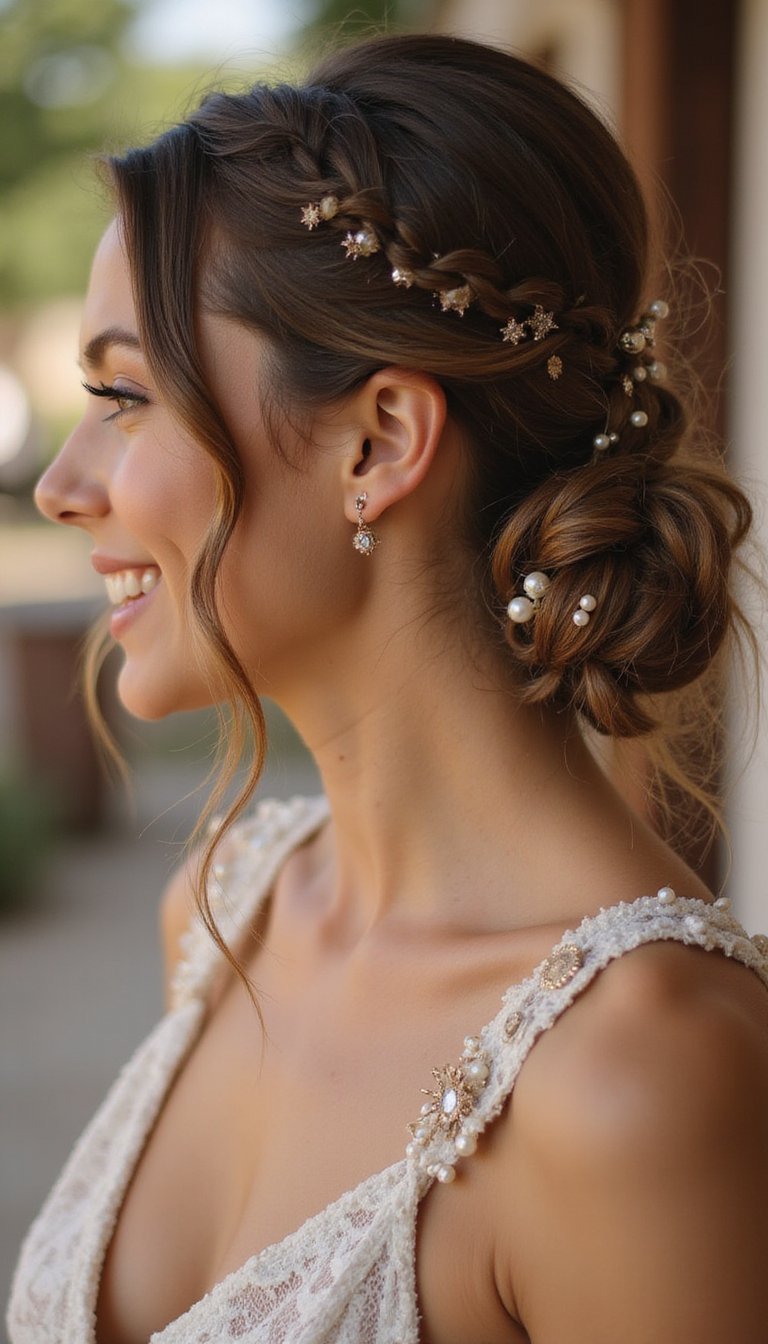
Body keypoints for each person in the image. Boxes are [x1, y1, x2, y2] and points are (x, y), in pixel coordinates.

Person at [8, 31, 768, 1344]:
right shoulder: (228, 912)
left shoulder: (641, 1079)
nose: (62, 486)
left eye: (125, 396)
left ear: (380, 443)